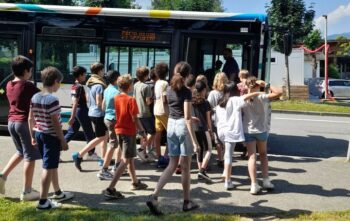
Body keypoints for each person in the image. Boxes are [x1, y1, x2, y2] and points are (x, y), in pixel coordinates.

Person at [146, 61, 200, 215]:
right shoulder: (186, 92)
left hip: (171, 126)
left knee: (172, 164)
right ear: (188, 75)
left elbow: (172, 109)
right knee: (186, 167)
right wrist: (195, 142)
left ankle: (154, 195)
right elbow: (188, 118)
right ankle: (186, 202)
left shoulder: (168, 89)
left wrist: (180, 119)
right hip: (183, 126)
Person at [28, 67, 74, 210]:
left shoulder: (35, 97)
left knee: (51, 164)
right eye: (59, 82)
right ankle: (43, 202)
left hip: (39, 134)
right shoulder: (52, 99)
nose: (59, 85)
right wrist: (63, 140)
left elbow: (30, 118)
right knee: (48, 167)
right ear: (55, 81)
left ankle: (58, 192)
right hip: (51, 137)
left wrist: (32, 136)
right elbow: (55, 123)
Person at [0, 56, 41, 201]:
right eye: (30, 70)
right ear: (25, 71)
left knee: (20, 152)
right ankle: (27, 191)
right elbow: (42, 95)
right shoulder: (28, 86)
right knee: (30, 156)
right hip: (23, 124)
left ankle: (2, 176)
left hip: (11, 122)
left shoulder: (9, 85)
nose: (31, 73)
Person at [102, 74, 148, 199]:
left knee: (130, 158)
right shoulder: (131, 100)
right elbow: (135, 119)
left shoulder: (116, 98)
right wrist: (142, 131)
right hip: (129, 132)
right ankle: (110, 188)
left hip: (119, 130)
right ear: (130, 86)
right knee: (126, 160)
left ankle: (135, 182)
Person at [216, 83, 262, 190]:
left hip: (221, 131)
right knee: (229, 155)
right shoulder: (234, 100)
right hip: (230, 131)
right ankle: (228, 181)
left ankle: (225, 173)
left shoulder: (220, 102)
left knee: (227, 153)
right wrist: (257, 92)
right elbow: (245, 98)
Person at [242, 76, 282, 194]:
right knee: (263, 154)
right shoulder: (263, 97)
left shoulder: (243, 98)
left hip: (248, 130)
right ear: (257, 86)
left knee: (251, 156)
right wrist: (265, 84)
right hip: (261, 130)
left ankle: (254, 184)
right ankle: (265, 180)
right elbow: (279, 92)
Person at [72, 62, 108, 171]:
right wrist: (105, 110)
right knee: (101, 137)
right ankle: (79, 155)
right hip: (99, 113)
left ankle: (103, 158)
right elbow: (98, 101)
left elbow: (88, 98)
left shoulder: (90, 82)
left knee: (104, 136)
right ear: (99, 71)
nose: (104, 72)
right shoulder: (99, 85)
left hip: (92, 112)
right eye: (102, 70)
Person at [64, 66, 97, 160]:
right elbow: (75, 102)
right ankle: (91, 154)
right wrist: (72, 117)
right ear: (80, 75)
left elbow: (75, 101)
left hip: (78, 111)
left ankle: (56, 150)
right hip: (82, 111)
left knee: (71, 132)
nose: (85, 76)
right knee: (89, 133)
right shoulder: (79, 87)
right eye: (84, 74)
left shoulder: (74, 86)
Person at [97, 70, 121, 180]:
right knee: (113, 145)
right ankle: (104, 170)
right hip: (114, 119)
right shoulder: (118, 92)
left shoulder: (107, 89)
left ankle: (117, 167)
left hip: (107, 118)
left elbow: (103, 106)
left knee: (117, 144)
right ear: (117, 79)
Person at [133, 67, 156, 162]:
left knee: (143, 134)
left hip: (138, 113)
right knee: (152, 132)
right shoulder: (146, 87)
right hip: (146, 113)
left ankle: (144, 155)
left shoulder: (135, 85)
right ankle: (141, 149)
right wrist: (153, 99)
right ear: (146, 76)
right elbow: (147, 102)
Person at [192, 81, 213, 183]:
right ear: (204, 90)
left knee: (199, 150)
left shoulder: (192, 102)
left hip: (194, 128)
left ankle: (200, 171)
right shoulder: (206, 103)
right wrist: (211, 130)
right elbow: (208, 119)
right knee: (209, 149)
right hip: (203, 129)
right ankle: (202, 170)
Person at [207, 72, 228, 168]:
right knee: (226, 140)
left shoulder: (212, 93)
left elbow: (209, 107)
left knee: (218, 140)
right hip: (226, 119)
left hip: (215, 119)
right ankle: (226, 157)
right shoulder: (227, 93)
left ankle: (220, 159)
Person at [153, 63, 170, 166]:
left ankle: (158, 156)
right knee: (170, 134)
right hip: (164, 111)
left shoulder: (157, 82)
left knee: (158, 133)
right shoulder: (165, 83)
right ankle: (166, 156)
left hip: (156, 110)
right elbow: (165, 99)